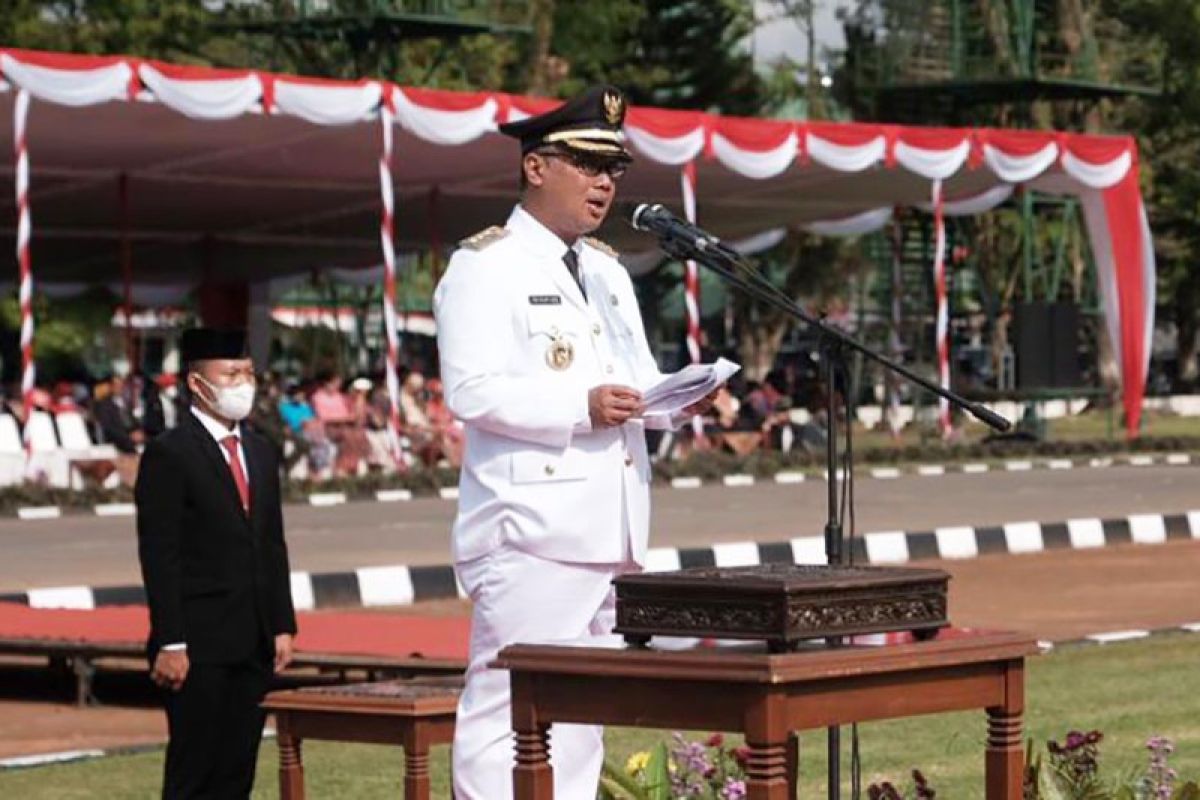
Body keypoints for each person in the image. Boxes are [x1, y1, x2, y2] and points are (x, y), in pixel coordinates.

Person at [434, 84, 714, 800]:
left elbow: (637, 380)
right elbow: (471, 389)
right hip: (532, 529)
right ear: (536, 167)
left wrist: (676, 399)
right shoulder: (484, 267)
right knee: (509, 712)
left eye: (614, 169)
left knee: (584, 716)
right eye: (588, 165)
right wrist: (580, 406)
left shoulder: (607, 270)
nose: (605, 183)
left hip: (609, 525)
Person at [134, 328, 297, 799]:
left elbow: (272, 544)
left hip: (254, 640)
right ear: (197, 383)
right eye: (229, 374)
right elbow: (159, 553)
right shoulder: (170, 453)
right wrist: (171, 640)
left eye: (247, 373)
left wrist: (281, 624)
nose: (241, 383)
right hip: (197, 644)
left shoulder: (261, 452)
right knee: (194, 770)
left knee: (236, 769)